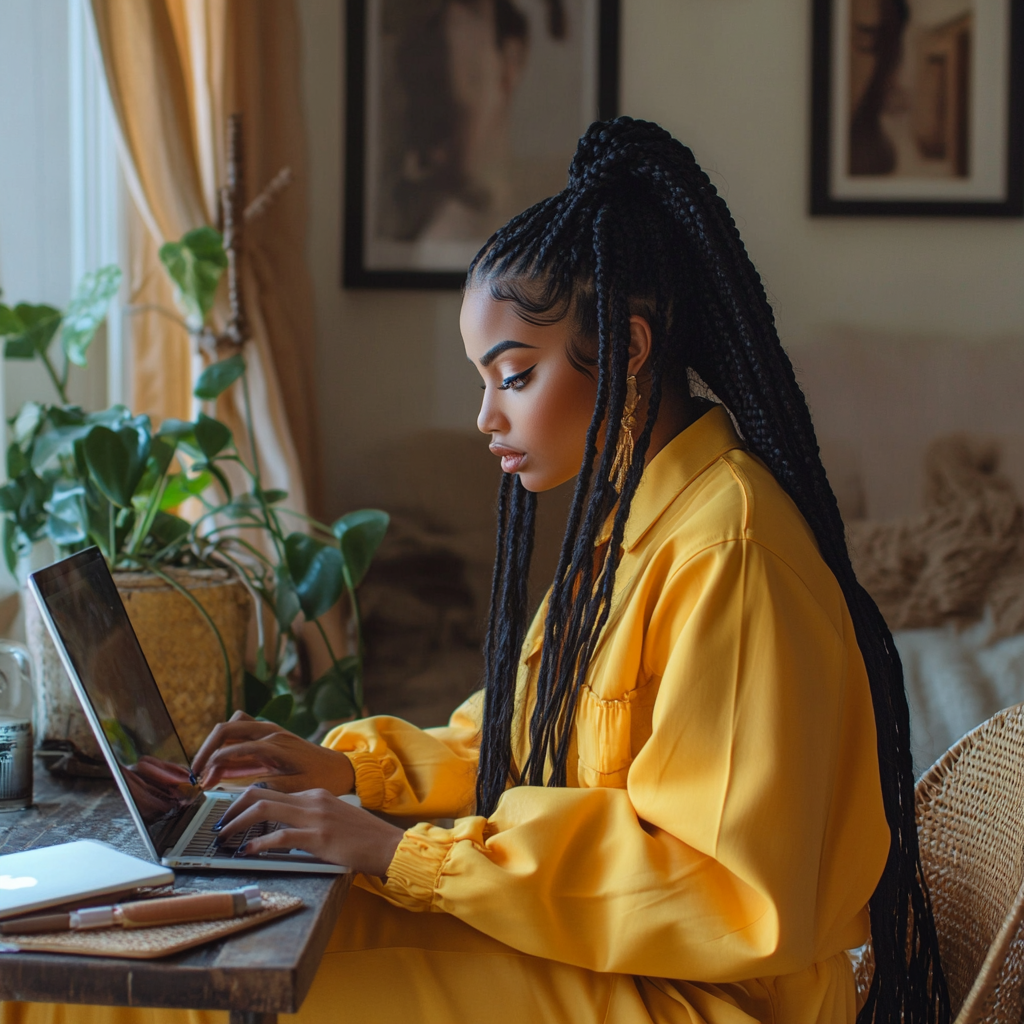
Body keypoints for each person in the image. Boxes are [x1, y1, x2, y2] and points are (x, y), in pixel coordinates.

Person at [1, 117, 949, 1024]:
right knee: (124, 954)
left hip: (689, 997)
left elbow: (720, 882)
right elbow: (518, 739)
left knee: (183, 991)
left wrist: (404, 854)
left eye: (514, 375)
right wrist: (350, 772)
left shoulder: (728, 550)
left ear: (625, 347)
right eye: (483, 379)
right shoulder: (628, 523)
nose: (486, 417)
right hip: (595, 952)